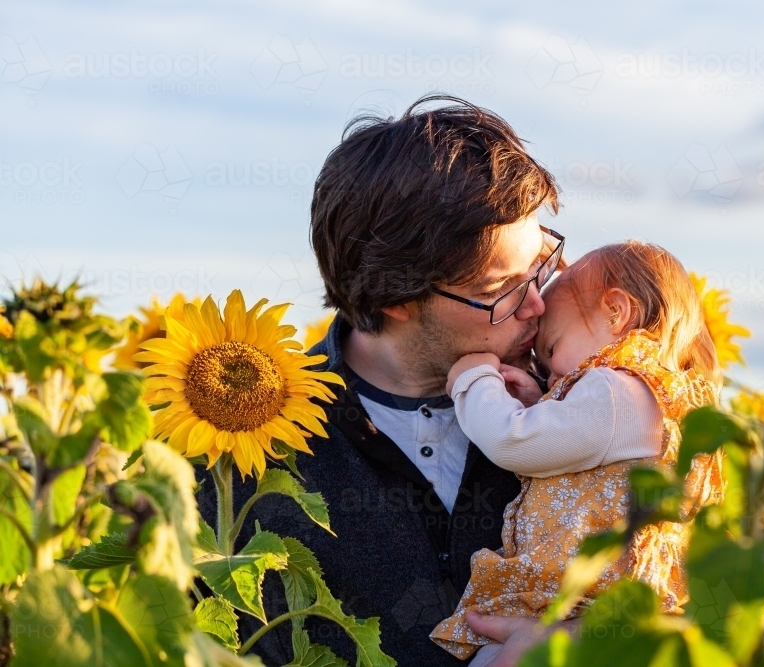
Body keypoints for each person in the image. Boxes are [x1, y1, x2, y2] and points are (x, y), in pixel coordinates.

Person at [196, 94, 573, 666]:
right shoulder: (243, 459)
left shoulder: (582, 402)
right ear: (395, 296)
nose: (536, 307)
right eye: (501, 289)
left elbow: (730, 609)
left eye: (540, 263)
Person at [429, 241, 725, 664]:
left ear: (615, 312)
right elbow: (578, 453)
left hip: (579, 606)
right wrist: (540, 405)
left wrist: (473, 378)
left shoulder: (616, 390)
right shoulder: (645, 397)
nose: (550, 374)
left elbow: (513, 441)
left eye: (550, 350)